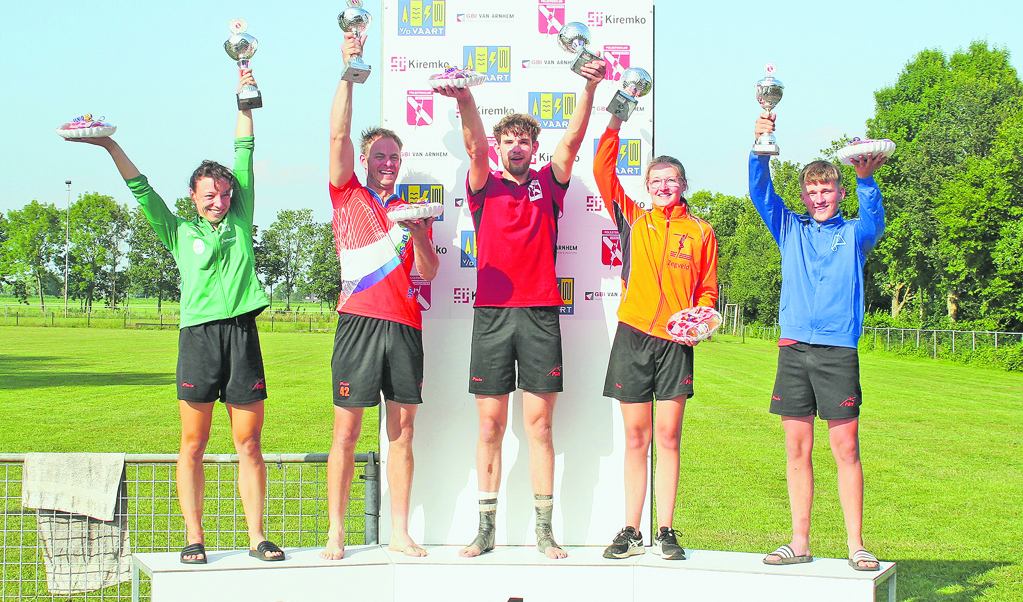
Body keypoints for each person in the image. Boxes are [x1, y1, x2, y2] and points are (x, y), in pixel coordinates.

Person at [70, 70, 283, 564]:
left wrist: (244, 95)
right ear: (193, 196)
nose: (219, 200)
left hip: (242, 335)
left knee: (248, 443)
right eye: (209, 194)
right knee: (193, 442)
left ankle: (257, 538)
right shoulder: (177, 230)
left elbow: (244, 151)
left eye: (225, 193)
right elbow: (140, 189)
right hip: (198, 339)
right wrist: (106, 145)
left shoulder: (240, 216)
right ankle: (195, 538)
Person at [435, 58, 606, 559]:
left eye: (523, 141)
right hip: (491, 314)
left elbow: (572, 141)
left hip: (540, 314)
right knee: (489, 426)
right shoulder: (483, 184)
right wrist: (465, 98)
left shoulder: (548, 184)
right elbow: (473, 146)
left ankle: (544, 530)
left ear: (532, 148)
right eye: (507, 139)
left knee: (540, 427)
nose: (515, 146)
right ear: (500, 145)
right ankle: (485, 529)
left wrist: (588, 87)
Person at [320, 31, 440, 561]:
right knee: (346, 430)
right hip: (359, 323)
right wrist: (349, 72)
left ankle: (398, 531)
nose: (388, 162)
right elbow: (337, 134)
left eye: (394, 155)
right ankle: (336, 533)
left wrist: (417, 234)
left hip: (406, 326)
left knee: (403, 432)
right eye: (379, 155)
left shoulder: (414, 210)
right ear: (365, 159)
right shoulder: (348, 192)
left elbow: (430, 273)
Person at [749, 112, 886, 571]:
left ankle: (856, 545)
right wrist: (761, 143)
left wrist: (865, 180)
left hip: (838, 352)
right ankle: (800, 541)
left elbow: (874, 221)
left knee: (846, 449)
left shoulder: (853, 235)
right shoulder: (790, 228)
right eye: (812, 191)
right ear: (804, 195)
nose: (820, 197)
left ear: (839, 192)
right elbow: (759, 193)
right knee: (796, 449)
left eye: (827, 190)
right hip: (794, 350)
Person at [593, 113, 718, 560]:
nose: (664, 186)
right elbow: (603, 173)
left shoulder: (702, 231)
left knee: (668, 436)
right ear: (646, 186)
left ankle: (665, 529)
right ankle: (630, 529)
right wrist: (614, 121)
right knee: (635, 438)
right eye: (656, 180)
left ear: (683, 184)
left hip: (674, 343)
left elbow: (707, 288)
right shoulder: (634, 218)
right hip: (634, 336)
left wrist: (701, 321)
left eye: (672, 179)